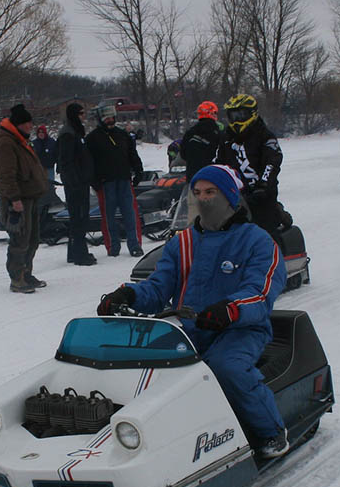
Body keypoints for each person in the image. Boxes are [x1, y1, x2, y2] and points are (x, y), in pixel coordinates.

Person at [96, 164, 289, 459]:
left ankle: (271, 431)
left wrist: (230, 310)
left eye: (211, 192)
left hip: (240, 329)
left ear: (229, 197)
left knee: (227, 368)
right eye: (197, 193)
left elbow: (261, 293)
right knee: (138, 367)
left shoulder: (258, 241)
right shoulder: (182, 242)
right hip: (188, 329)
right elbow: (159, 288)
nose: (203, 199)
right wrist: (129, 294)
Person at [0, 103, 50, 293]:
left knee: (32, 239)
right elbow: (5, 175)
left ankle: (26, 273)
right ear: (19, 124)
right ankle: (17, 278)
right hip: (18, 199)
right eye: (27, 123)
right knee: (20, 239)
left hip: (30, 196)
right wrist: (14, 199)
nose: (31, 127)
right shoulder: (6, 142)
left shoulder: (19, 139)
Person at [216, 93, 285, 239]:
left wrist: (263, 185)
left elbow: (272, 161)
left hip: (262, 194)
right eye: (233, 115)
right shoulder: (226, 138)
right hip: (234, 196)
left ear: (252, 114)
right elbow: (217, 163)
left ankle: (276, 256)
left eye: (240, 115)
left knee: (265, 232)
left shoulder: (264, 135)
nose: (236, 120)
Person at [86, 101, 145, 258]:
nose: (110, 121)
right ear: (100, 120)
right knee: (108, 216)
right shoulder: (92, 138)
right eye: (106, 118)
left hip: (124, 179)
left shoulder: (122, 134)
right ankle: (113, 246)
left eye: (112, 117)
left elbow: (132, 154)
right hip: (105, 182)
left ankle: (135, 245)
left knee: (130, 214)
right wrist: (93, 180)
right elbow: (89, 162)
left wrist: (138, 171)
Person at [55, 103, 97, 266]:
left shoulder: (75, 130)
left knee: (79, 218)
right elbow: (66, 160)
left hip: (80, 180)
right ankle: (80, 254)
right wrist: (75, 181)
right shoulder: (68, 133)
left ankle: (74, 252)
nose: (83, 116)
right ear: (74, 115)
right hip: (75, 183)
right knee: (78, 218)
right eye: (81, 113)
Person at [181, 101, 224, 179]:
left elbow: (183, 154)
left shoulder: (190, 132)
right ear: (212, 113)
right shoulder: (217, 132)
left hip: (193, 177)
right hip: (213, 177)